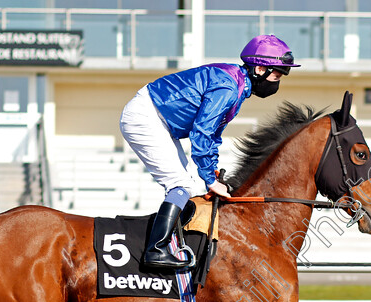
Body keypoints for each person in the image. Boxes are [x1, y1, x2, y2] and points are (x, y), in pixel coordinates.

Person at [120, 34, 300, 270]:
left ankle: (174, 244)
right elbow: (202, 132)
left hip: (160, 121)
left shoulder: (237, 88)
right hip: (147, 117)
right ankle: (156, 250)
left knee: (192, 187)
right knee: (180, 185)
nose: (277, 81)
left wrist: (211, 173)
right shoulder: (228, 87)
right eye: (277, 74)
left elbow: (213, 135)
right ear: (259, 68)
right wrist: (209, 178)